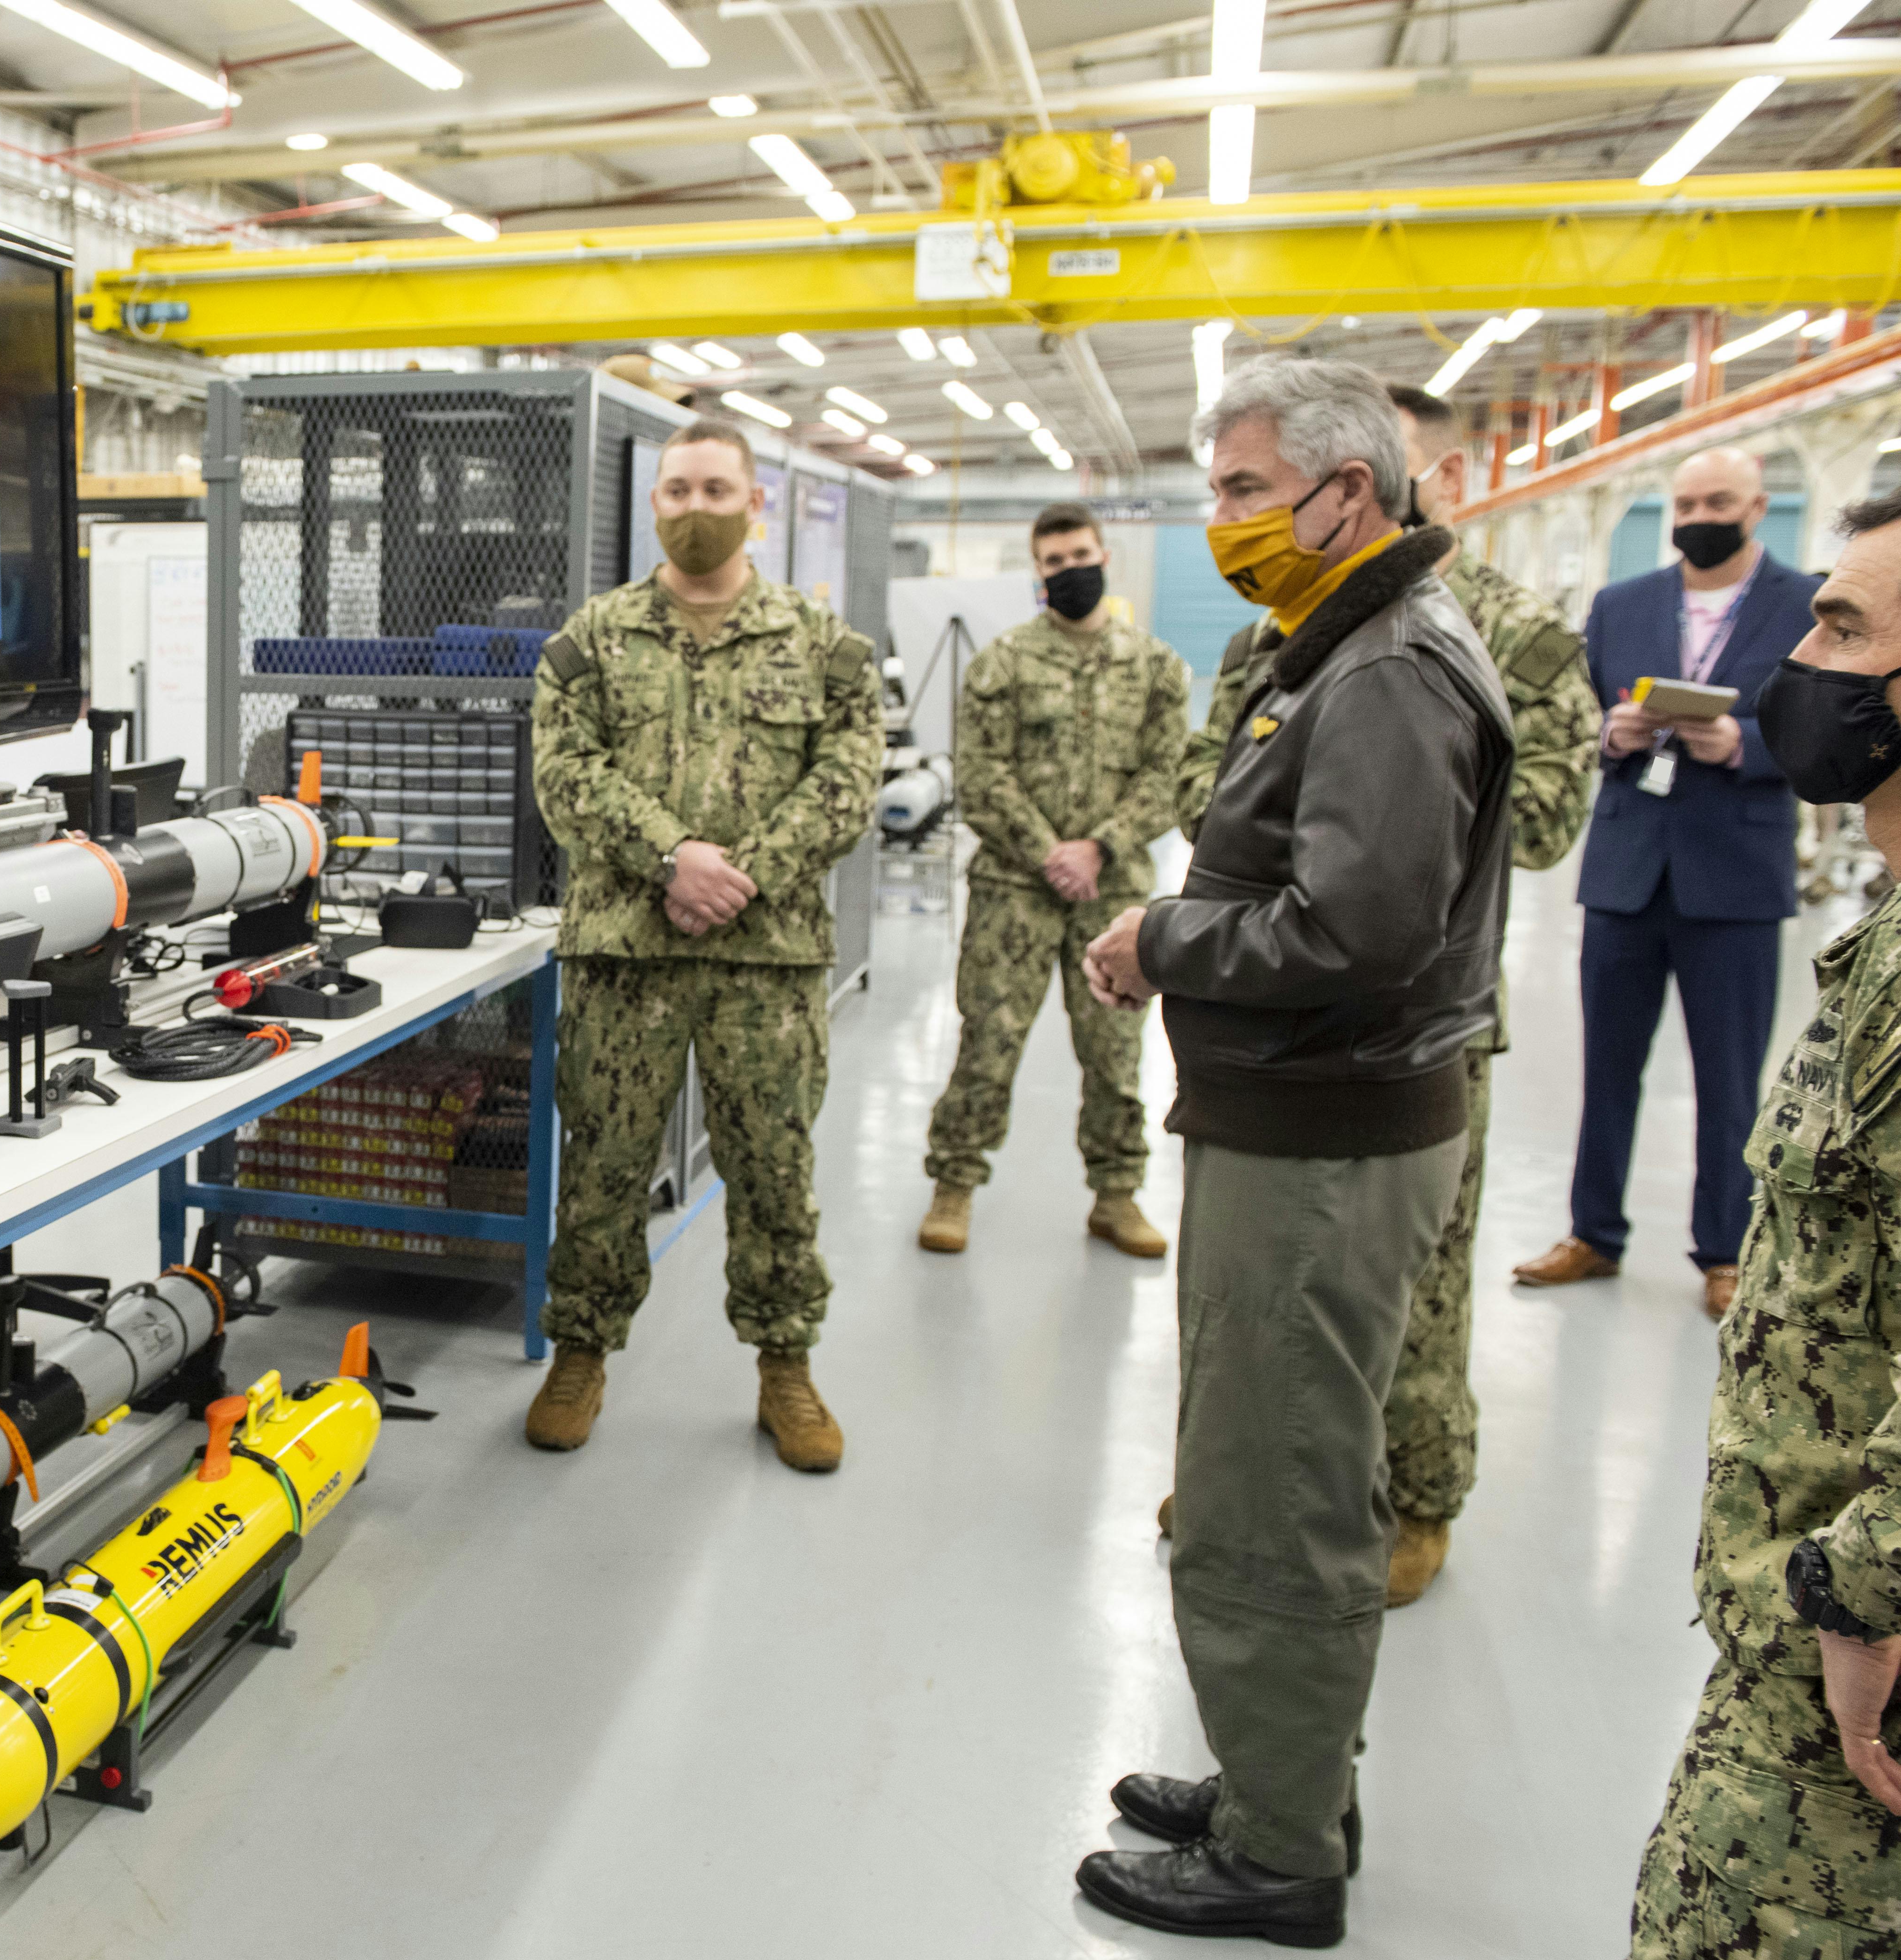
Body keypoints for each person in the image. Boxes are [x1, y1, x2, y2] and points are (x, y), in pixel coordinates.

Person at [1074, 356, 1514, 1947]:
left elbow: (1355, 926)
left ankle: (1278, 1853)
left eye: (1242, 490)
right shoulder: (1338, 645)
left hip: (1324, 1137)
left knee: (1276, 1487)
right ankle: (1281, 1774)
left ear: (1346, 489)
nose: (1220, 521)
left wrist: (1158, 936)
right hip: (1301, 1118)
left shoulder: (1384, 667)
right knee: (1266, 1459)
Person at [1559, 492, 1901, 1960]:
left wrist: (1860, 1587)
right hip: (1802, 1618)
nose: (1798, 663)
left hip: (1850, 1653)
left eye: (1840, 634)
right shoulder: (1887, 946)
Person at [1167, 381, 1602, 1606]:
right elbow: (1206, 784)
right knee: (1263, 1281)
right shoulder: (1275, 624)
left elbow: (1546, 815)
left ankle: (1415, 1492)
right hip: (1273, 999)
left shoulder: (1496, 634)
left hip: (1412, 1007)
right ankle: (1252, 1470)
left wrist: (1387, 815)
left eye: (1247, 487)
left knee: (1412, 1284)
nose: (1232, 512)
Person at [525, 414, 883, 1470]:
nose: (695, 509)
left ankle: (787, 1365)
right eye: (678, 491)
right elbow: (564, 774)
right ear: (654, 503)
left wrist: (744, 873)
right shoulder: (591, 637)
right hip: (624, 952)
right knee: (604, 1163)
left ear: (755, 503)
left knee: (775, 1164)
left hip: (765, 959)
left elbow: (849, 781)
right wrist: (672, 857)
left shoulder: (824, 646)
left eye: (717, 491)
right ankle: (579, 1350)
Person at [1515, 445, 1822, 1318]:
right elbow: (1575, 725)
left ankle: (1723, 1250)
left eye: (1717, 499)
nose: (1698, 516)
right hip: (1626, 870)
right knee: (1606, 1068)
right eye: (1684, 502)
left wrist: (1748, 748)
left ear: (1758, 505)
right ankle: (1592, 1232)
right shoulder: (1621, 605)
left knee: (1729, 1078)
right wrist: (1612, 738)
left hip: (1734, 875)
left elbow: (1830, 732)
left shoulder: (1804, 607)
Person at [917, 502, 1188, 1259]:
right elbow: (979, 773)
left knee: (1114, 1049)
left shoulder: (1157, 665)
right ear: (1037, 572)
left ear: (1105, 555)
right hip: (1013, 886)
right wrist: (1050, 851)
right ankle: (954, 1184)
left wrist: (1097, 847)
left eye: (1079, 556)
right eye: (1053, 563)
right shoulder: (1002, 661)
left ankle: (1116, 1194)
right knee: (988, 1040)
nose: (1070, 571)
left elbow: (1168, 774)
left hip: (1114, 890)